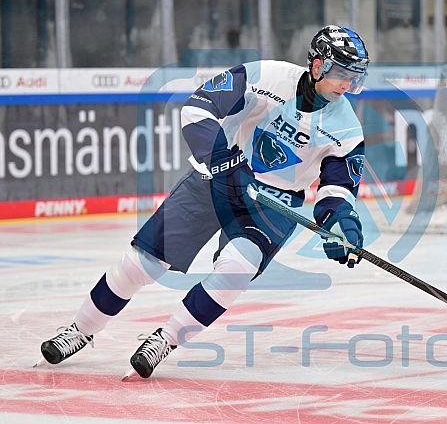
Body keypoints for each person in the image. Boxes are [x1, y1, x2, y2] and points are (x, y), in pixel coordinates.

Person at [36, 25, 370, 379]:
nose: (347, 84)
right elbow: (199, 107)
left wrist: (340, 224)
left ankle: (165, 339)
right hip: (217, 178)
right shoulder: (265, 76)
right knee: (142, 263)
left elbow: (337, 188)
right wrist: (222, 159)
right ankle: (80, 329)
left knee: (236, 270)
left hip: (273, 203)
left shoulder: (348, 128)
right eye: (341, 73)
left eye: (355, 76)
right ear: (317, 65)